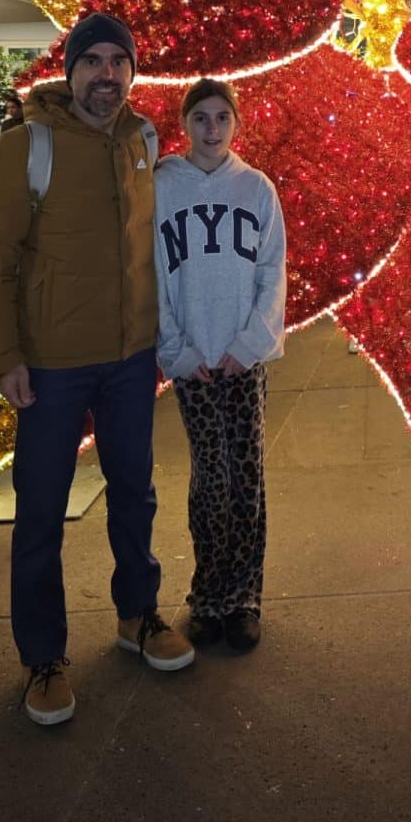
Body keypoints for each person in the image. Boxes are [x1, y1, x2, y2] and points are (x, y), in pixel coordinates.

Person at [0, 11, 193, 727]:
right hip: (52, 368)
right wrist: (4, 359)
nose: (106, 75)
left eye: (117, 62)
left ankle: (138, 615)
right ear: (69, 72)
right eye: (92, 61)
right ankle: (43, 657)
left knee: (135, 494)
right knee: (40, 515)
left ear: (131, 71)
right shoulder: (24, 147)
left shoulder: (142, 139)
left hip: (130, 360)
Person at [154, 78, 286, 652]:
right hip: (194, 361)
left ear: (236, 123)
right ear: (185, 124)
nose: (212, 129)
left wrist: (251, 343)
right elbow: (152, 274)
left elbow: (272, 270)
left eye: (222, 118)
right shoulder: (162, 187)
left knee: (247, 474)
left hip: (241, 359)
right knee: (211, 477)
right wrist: (178, 349)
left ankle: (244, 598)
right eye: (201, 118)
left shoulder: (256, 188)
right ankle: (207, 596)